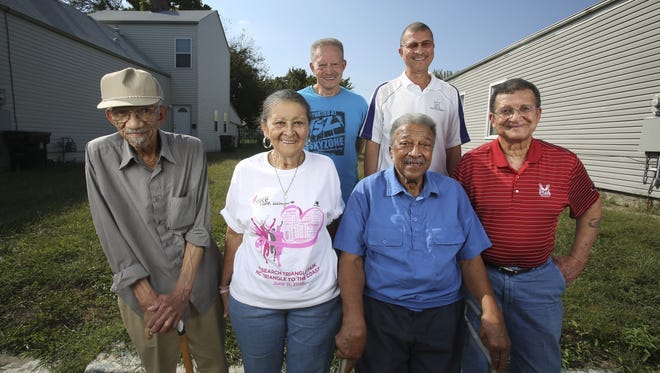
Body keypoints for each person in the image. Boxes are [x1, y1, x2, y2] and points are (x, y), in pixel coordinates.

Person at [334, 113, 510, 373]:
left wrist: (491, 312)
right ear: (391, 150)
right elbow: (351, 260)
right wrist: (353, 319)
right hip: (382, 311)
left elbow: (470, 259)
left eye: (425, 145)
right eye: (405, 144)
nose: (415, 152)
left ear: (432, 151)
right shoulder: (367, 192)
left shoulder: (453, 193)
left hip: (442, 315)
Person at [85, 67, 228, 372]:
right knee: (159, 366)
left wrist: (180, 295)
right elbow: (109, 233)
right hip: (142, 292)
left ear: (161, 114)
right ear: (110, 117)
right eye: (123, 113)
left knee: (214, 364)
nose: (135, 123)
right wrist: (149, 298)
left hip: (197, 287)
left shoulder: (191, 149)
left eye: (145, 112)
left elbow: (199, 228)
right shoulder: (98, 155)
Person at [455, 78, 602, 372]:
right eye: (506, 110)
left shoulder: (565, 162)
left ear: (538, 114)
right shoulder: (471, 165)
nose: (516, 117)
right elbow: (455, 224)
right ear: (492, 119)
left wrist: (577, 260)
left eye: (525, 108)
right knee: (474, 363)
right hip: (482, 279)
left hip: (538, 281)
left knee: (540, 364)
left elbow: (590, 208)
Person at [219, 89, 344, 373]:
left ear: (309, 127)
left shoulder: (325, 168)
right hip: (254, 302)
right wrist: (224, 285)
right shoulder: (245, 170)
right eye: (279, 123)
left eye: (298, 122)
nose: (290, 131)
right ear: (264, 127)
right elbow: (234, 233)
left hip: (316, 301)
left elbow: (334, 225)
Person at [360, 21, 470, 178]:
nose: (419, 50)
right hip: (389, 194)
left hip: (436, 194)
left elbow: (453, 148)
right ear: (401, 52)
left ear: (433, 48)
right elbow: (373, 145)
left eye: (426, 44)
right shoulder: (383, 92)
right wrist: (370, 192)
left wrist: (452, 193)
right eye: (412, 45)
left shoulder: (450, 93)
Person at [298, 38, 368, 204]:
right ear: (312, 67)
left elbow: (359, 145)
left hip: (347, 198)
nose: (329, 71)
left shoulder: (359, 103)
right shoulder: (296, 100)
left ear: (344, 65)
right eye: (322, 65)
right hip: (303, 199)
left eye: (335, 64)